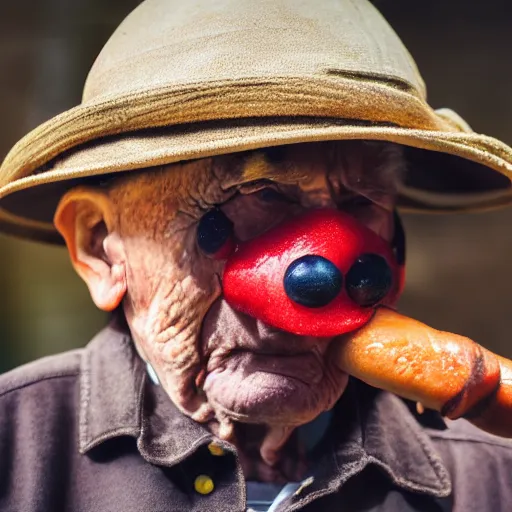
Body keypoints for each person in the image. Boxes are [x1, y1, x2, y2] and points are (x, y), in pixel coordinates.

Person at [1, 0, 512, 511]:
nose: (320, 277)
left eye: (361, 202)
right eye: (262, 194)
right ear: (100, 245)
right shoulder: (13, 457)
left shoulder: (492, 480)